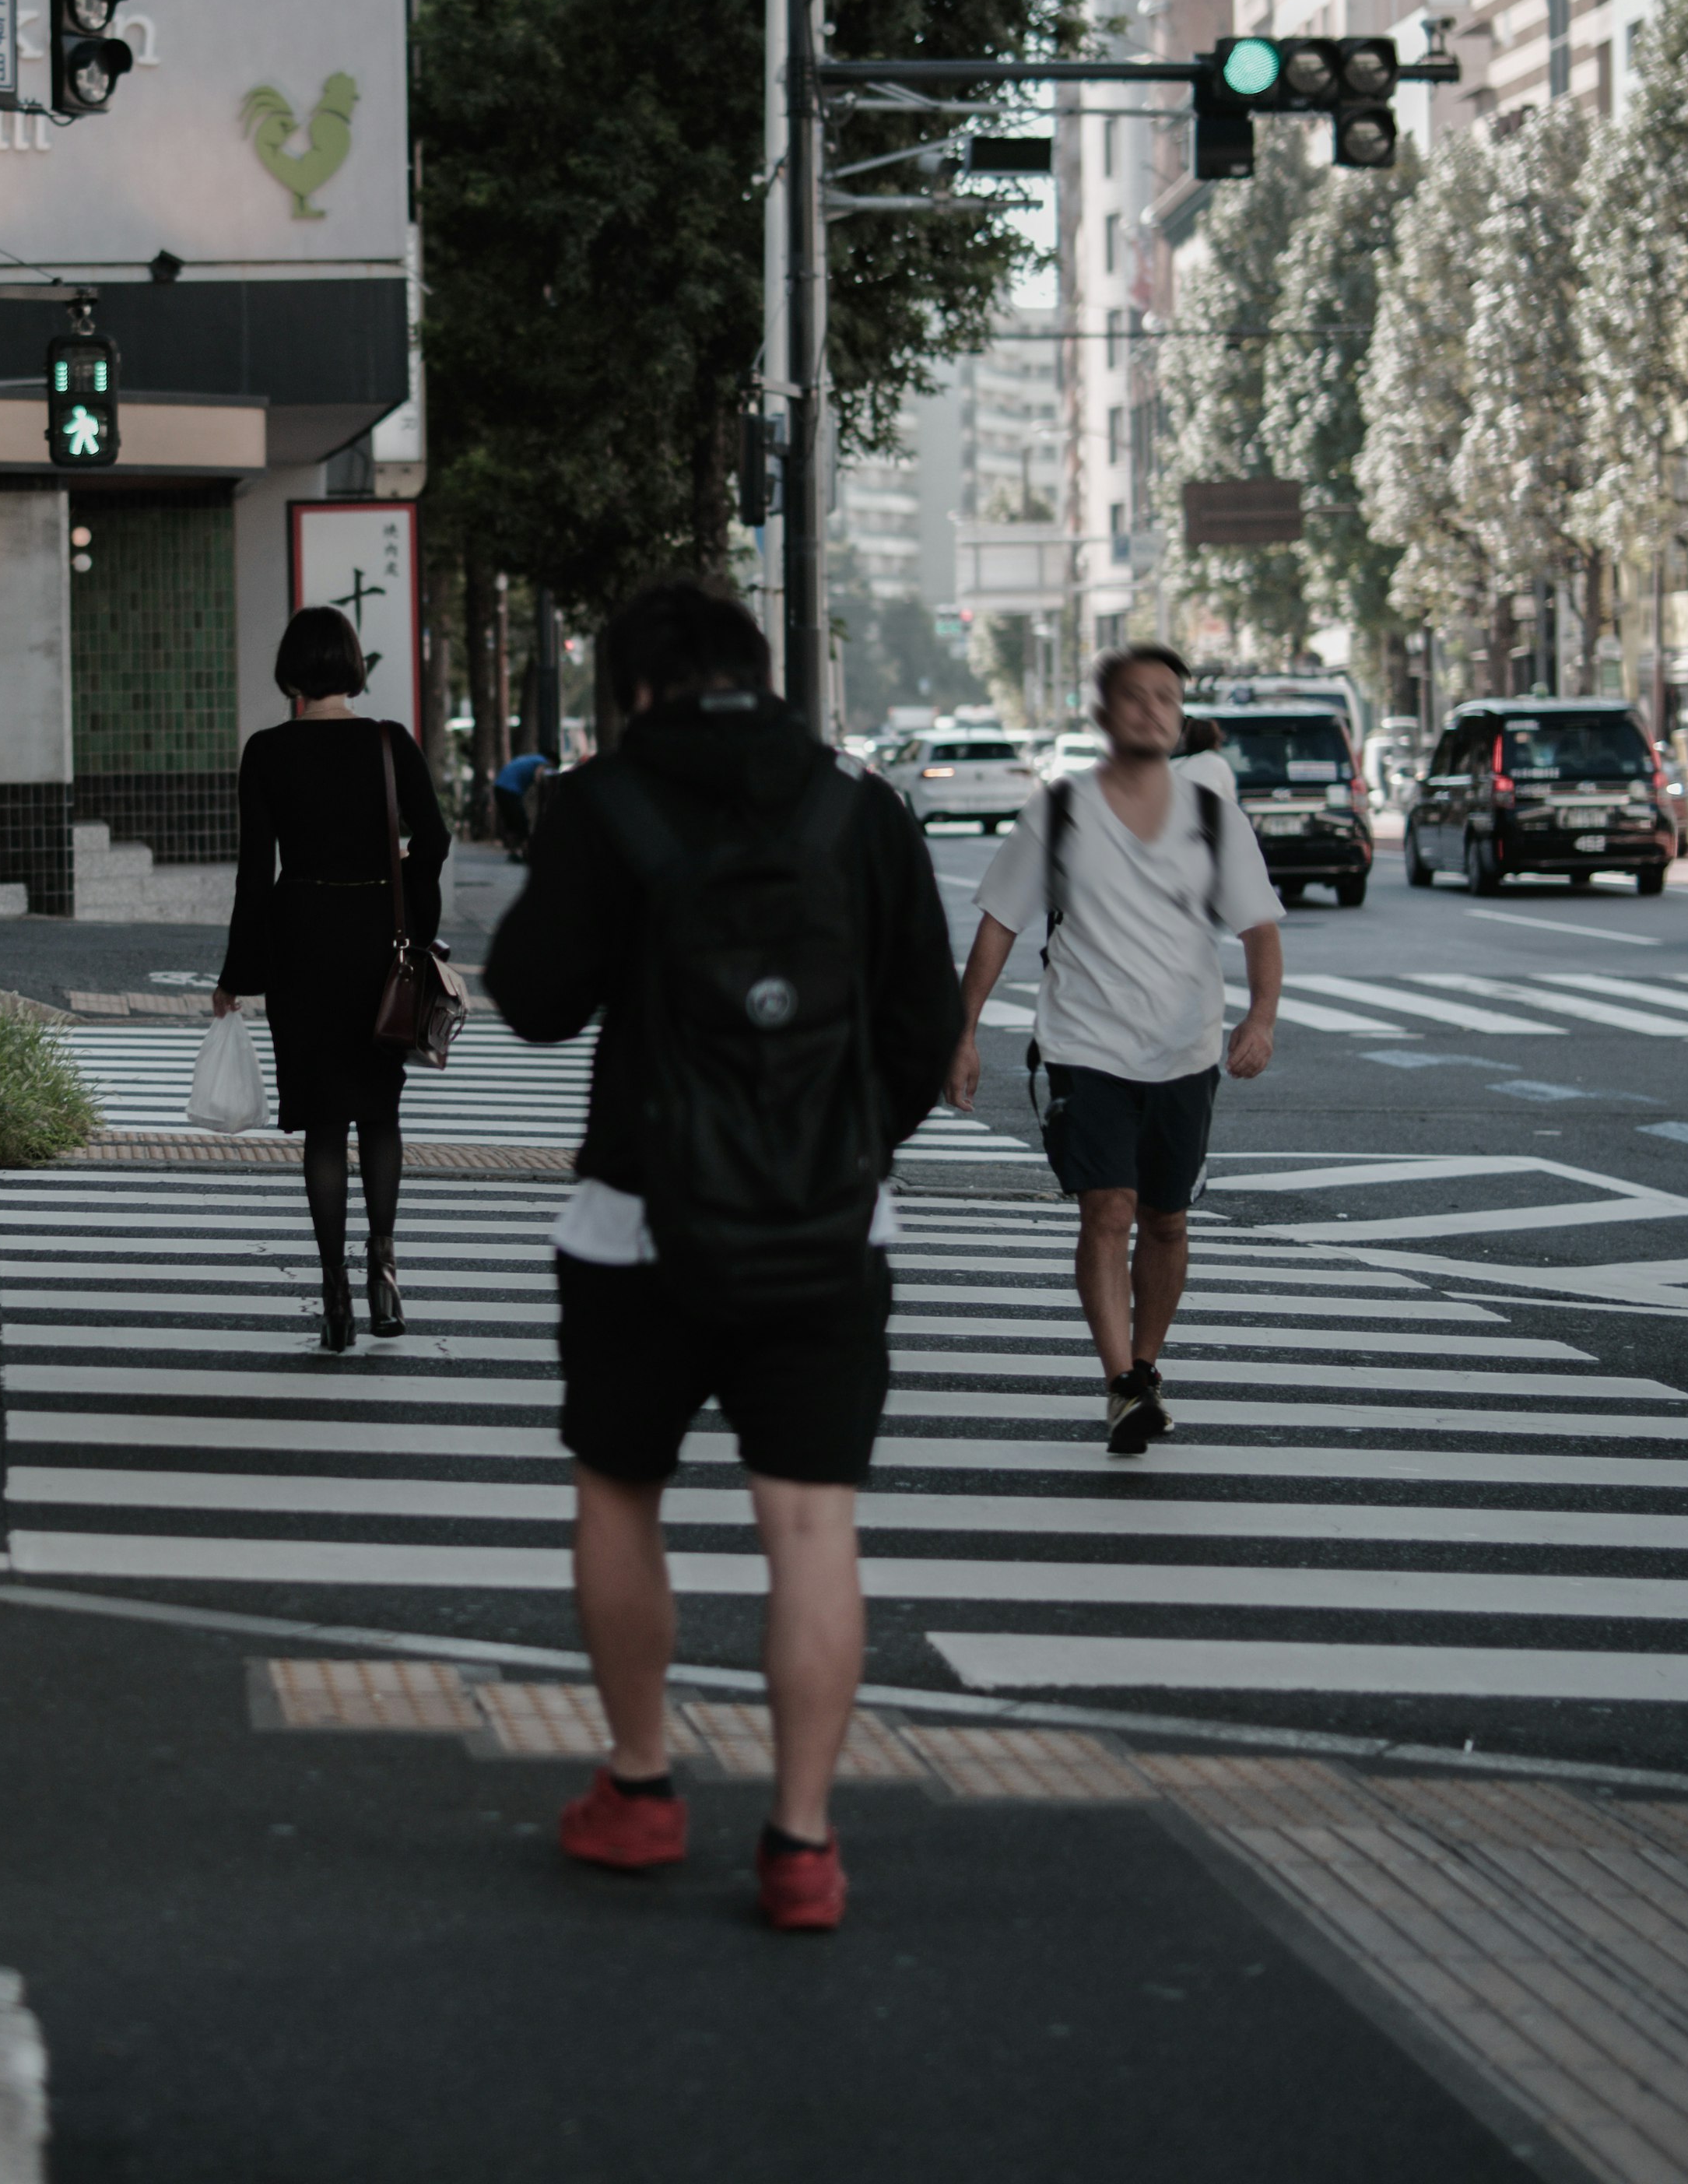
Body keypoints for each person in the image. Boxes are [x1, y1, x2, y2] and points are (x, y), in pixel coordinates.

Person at [486, 582, 956, 1933]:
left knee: (620, 1494)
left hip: (638, 1223)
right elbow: (922, 1027)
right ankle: (802, 1845)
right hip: (829, 1228)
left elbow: (529, 1002)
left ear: (634, 691)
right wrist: (838, 1152)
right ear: (762, 674)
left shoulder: (605, 805)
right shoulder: (858, 808)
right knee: (809, 1526)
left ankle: (640, 1793)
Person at [946, 644, 1282, 1455]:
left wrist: (1261, 1017)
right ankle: (1123, 1383)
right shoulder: (1059, 811)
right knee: (1110, 1210)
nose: (1150, 710)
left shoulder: (1210, 814)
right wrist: (963, 1032)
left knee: (1165, 1221)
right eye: (1133, 697)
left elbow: (1259, 928)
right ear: (1103, 714)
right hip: (1084, 1043)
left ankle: (1147, 1364)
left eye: (1165, 699)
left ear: (1179, 716)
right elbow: (999, 923)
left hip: (1185, 1049)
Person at [217, 606, 446, 1353]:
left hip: (301, 945)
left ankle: (335, 1293)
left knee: (323, 1124)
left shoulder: (268, 752)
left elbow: (256, 875)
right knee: (380, 1115)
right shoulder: (389, 743)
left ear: (291, 672)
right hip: (380, 942)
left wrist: (236, 977)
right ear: (352, 666)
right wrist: (406, 895)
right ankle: (385, 1273)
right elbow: (434, 837)